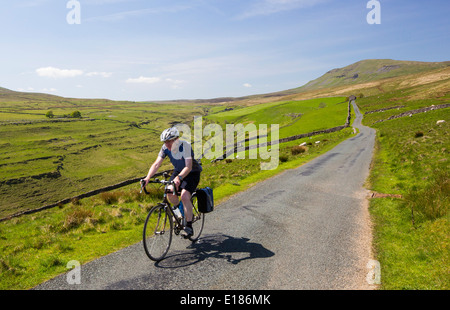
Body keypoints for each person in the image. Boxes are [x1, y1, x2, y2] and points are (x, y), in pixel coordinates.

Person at [143, 127, 202, 237]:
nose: (167, 144)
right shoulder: (164, 148)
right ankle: (180, 212)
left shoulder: (186, 146)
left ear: (177, 139)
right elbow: (156, 164)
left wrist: (179, 178)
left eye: (170, 141)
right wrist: (147, 177)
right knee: (169, 191)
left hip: (192, 173)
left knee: (184, 196)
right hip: (178, 171)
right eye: (166, 142)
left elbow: (188, 167)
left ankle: (189, 226)